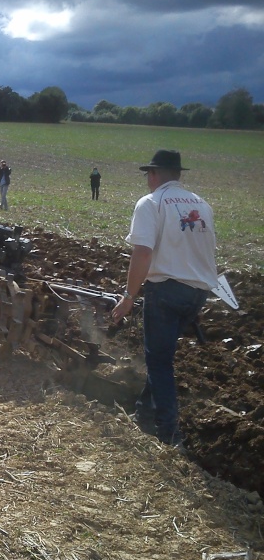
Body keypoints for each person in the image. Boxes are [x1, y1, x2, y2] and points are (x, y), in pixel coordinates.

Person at [111, 150, 217, 447]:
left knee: (159, 362)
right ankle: (143, 415)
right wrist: (198, 297)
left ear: (155, 174)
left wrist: (129, 295)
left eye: (148, 174)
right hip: (197, 292)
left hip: (167, 291)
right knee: (160, 356)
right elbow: (207, 252)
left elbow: (142, 252)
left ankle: (169, 434)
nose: (148, 180)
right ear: (178, 174)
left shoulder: (151, 203)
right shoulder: (202, 204)